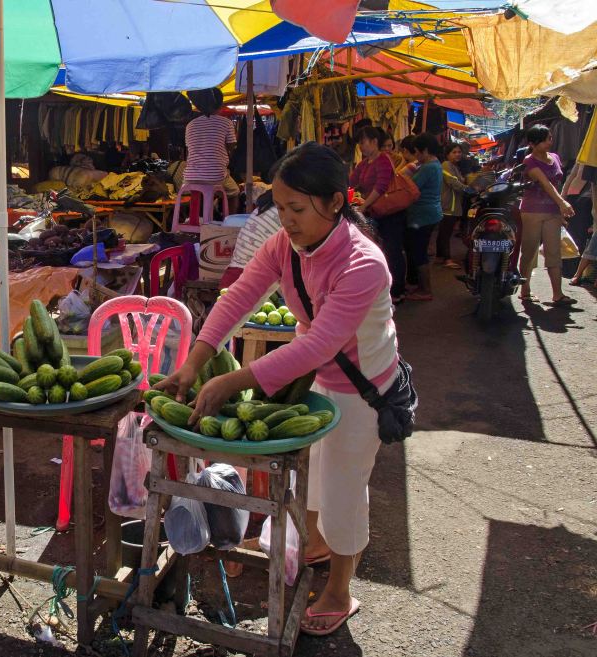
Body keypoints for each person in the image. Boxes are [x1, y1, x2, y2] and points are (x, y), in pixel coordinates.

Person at [157, 142, 398, 637]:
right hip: (318, 380)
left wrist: (233, 380)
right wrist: (194, 363)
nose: (285, 221)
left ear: (335, 202)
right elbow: (238, 299)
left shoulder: (363, 263)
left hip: (364, 388)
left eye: (297, 209)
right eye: (280, 207)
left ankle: (340, 591)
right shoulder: (284, 247)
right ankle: (313, 544)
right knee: (313, 474)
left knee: (345, 489)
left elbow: (321, 343)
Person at [518, 124, 576, 305]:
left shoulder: (556, 157)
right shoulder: (529, 161)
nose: (548, 143)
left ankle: (557, 294)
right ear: (532, 144)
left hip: (552, 212)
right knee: (529, 251)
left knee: (554, 252)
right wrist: (562, 203)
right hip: (532, 211)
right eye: (544, 140)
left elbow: (557, 184)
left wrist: (560, 206)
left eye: (549, 138)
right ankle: (525, 290)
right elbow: (546, 184)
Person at [351, 126, 405, 303]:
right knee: (380, 250)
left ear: (374, 141)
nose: (360, 146)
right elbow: (353, 182)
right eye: (359, 143)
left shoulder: (383, 160)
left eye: (362, 142)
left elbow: (380, 188)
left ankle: (397, 292)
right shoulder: (364, 163)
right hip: (376, 213)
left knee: (392, 250)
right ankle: (382, 289)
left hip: (391, 212)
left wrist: (363, 206)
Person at [181, 88, 238, 213]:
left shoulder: (190, 125)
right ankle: (229, 222)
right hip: (215, 175)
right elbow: (232, 146)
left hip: (190, 177)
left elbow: (190, 148)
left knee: (201, 191)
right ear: (220, 104)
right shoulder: (226, 123)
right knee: (234, 191)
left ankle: (198, 219)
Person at [404, 134, 444, 301]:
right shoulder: (435, 164)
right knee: (418, 251)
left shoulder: (428, 167)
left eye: (417, 152)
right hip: (430, 213)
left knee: (419, 253)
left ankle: (426, 290)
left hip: (423, 216)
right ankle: (421, 286)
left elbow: (411, 187)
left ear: (425, 151)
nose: (416, 156)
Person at [438, 142, 473, 269]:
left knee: (445, 231)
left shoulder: (454, 166)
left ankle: (440, 256)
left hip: (453, 205)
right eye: (454, 152)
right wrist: (469, 190)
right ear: (447, 154)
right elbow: (454, 182)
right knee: (446, 233)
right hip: (448, 205)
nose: (458, 154)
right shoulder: (446, 165)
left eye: (459, 152)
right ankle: (447, 259)